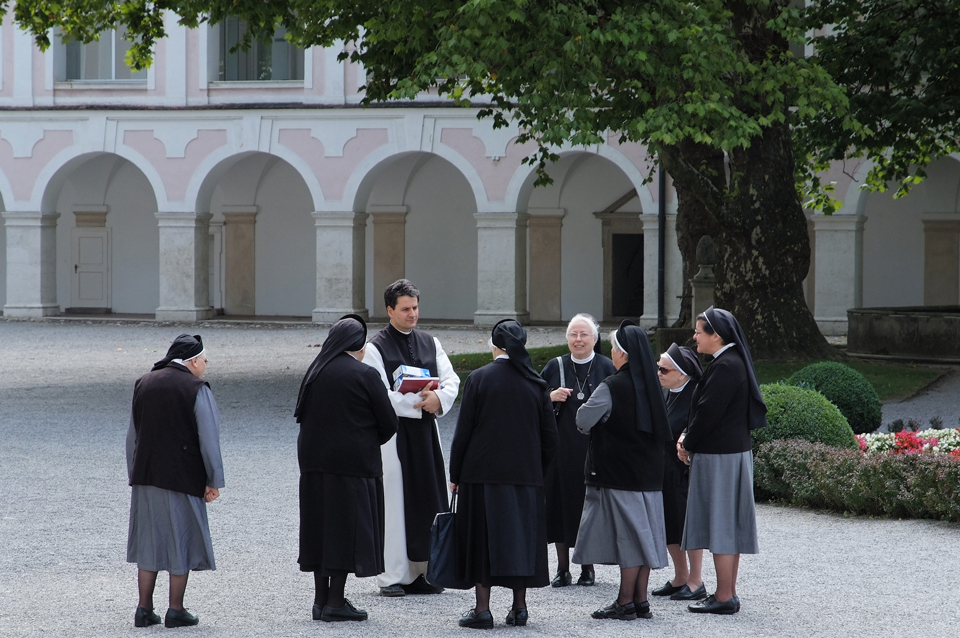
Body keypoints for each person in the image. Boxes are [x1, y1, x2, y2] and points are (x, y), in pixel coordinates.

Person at [449, 319, 559, 629]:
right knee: (520, 540)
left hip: (480, 474)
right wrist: (538, 469)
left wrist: (455, 472)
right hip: (525, 477)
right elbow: (551, 439)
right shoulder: (537, 384)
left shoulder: (479, 379)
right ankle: (519, 608)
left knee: (483, 539)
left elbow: (463, 433)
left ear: (494, 345)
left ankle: (482, 609)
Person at [294, 315, 399, 622]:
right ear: (358, 345)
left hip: (314, 466)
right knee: (343, 531)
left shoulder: (314, 372)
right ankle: (336, 602)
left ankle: (320, 600)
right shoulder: (364, 375)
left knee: (319, 529)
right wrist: (367, 441)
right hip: (353, 466)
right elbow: (389, 423)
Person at [362, 279, 461, 597]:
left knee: (429, 497)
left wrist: (439, 400)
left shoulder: (430, 342)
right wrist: (420, 404)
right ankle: (393, 576)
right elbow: (378, 393)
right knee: (396, 502)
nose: (412, 314)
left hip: (426, 435)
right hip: (394, 439)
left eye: (415, 308)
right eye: (405, 309)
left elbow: (451, 379)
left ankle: (424, 572)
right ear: (390, 310)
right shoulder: (376, 348)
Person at [573, 320, 671, 622]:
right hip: (650, 476)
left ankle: (624, 602)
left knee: (630, 540)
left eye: (615, 348)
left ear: (622, 353)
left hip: (618, 474)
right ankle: (641, 600)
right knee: (643, 538)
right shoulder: (654, 386)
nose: (613, 353)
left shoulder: (611, 386)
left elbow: (583, 419)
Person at [126, 334, 224, 629]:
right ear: (193, 361)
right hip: (182, 475)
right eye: (205, 360)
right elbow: (209, 438)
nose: (206, 365)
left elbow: (133, 435)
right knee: (181, 538)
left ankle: (144, 609)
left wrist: (134, 471)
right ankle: (175, 609)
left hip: (145, 474)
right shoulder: (196, 388)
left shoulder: (144, 382)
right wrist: (213, 479)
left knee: (149, 541)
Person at [677, 306, 767, 615]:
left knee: (723, 527)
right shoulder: (728, 362)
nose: (695, 336)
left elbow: (709, 414)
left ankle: (726, 595)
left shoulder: (727, 365)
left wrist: (687, 442)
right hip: (726, 453)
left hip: (721, 456)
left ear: (716, 335)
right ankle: (725, 592)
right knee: (725, 525)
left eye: (699, 331)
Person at [540, 313, 616, 588]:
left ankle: (587, 566)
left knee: (589, 508)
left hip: (594, 449)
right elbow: (533, 400)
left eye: (584, 335)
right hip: (561, 450)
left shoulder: (607, 367)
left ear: (595, 340)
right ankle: (562, 568)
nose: (579, 339)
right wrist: (549, 397)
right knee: (560, 506)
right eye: (573, 334)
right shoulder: (554, 366)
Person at [651, 343, 706, 602]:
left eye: (664, 369)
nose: (658, 372)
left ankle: (697, 580)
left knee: (688, 524)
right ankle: (680, 576)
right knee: (669, 523)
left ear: (682, 373)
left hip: (685, 471)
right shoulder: (664, 392)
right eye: (658, 367)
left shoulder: (696, 393)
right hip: (663, 468)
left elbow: (698, 427)